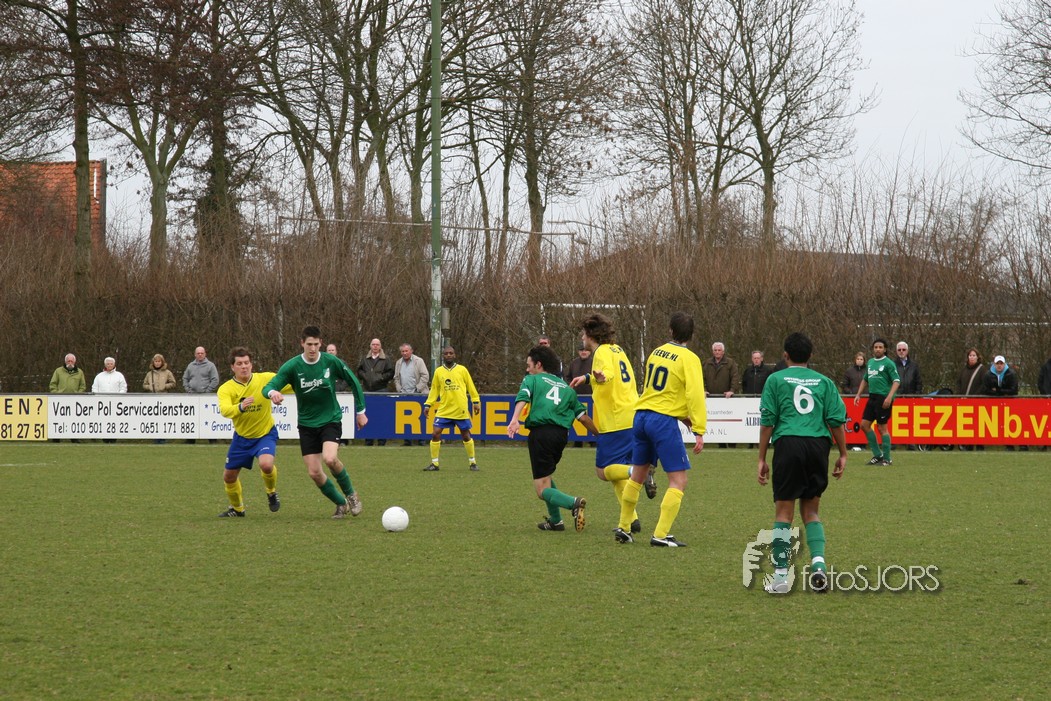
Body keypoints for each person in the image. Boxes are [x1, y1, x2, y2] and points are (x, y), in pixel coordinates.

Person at [757, 332, 848, 595]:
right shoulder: (825, 382)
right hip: (818, 446)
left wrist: (761, 458)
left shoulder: (775, 379)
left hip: (788, 444)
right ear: (811, 356)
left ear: (785, 355)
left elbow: (768, 421)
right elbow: (836, 421)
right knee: (811, 511)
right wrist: (843, 453)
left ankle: (781, 578)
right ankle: (818, 565)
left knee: (783, 514)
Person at [615, 311, 706, 547]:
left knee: (637, 475)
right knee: (679, 480)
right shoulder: (689, 359)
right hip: (662, 422)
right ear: (691, 335)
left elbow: (660, 391)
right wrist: (699, 428)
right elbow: (695, 394)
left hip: (641, 416)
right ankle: (661, 535)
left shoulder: (656, 352)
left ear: (670, 331)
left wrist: (681, 416)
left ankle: (624, 527)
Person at [263, 326, 368, 519]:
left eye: (316, 344)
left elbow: (353, 381)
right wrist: (272, 393)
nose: (312, 348)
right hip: (306, 425)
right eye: (309, 344)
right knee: (314, 472)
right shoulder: (293, 366)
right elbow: (269, 386)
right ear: (302, 343)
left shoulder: (330, 362)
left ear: (321, 344)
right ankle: (340, 503)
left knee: (330, 459)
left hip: (330, 420)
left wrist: (360, 411)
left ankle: (351, 495)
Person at [508, 345, 598, 532]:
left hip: (541, 433)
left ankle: (573, 503)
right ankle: (556, 521)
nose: (527, 369)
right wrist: (600, 435)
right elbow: (583, 418)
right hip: (561, 437)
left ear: (538, 365)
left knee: (541, 490)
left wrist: (515, 419)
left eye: (529, 365)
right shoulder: (567, 388)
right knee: (546, 475)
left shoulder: (532, 379)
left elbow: (523, 396)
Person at [569, 313, 645, 535]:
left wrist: (601, 377)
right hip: (631, 414)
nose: (582, 338)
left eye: (584, 333)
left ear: (591, 334)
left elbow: (608, 374)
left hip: (615, 420)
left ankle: (637, 470)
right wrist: (587, 378)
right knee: (615, 473)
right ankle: (631, 519)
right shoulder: (617, 349)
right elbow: (617, 374)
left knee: (603, 472)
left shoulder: (601, 352)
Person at [215, 347, 290, 517]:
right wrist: (240, 407)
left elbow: (291, 383)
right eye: (239, 364)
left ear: (251, 364)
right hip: (242, 438)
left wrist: (306, 386)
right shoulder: (226, 389)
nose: (244, 366)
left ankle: (271, 492)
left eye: (247, 363)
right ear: (232, 367)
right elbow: (225, 410)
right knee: (229, 477)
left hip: (265, 434)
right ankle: (238, 509)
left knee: (266, 464)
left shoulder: (265, 379)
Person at [423, 346, 481, 471]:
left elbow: (471, 386)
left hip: (460, 408)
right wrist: (428, 404)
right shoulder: (438, 371)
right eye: (446, 353)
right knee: (435, 433)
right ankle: (434, 464)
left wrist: (476, 401)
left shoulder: (462, 370)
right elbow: (434, 390)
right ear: (443, 356)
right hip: (444, 409)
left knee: (465, 435)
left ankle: (472, 462)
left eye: (451, 353)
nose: (448, 355)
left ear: (454, 355)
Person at [853, 338, 900, 466]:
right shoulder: (870, 362)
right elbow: (865, 379)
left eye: (880, 347)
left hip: (883, 398)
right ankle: (878, 455)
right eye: (876, 347)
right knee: (864, 425)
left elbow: (896, 381)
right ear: (873, 349)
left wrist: (889, 397)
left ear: (885, 349)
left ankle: (887, 459)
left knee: (882, 428)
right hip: (872, 397)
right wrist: (858, 394)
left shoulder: (889, 363)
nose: (878, 349)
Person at [357, 338, 395, 445]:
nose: (375, 346)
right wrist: (365, 376)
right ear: (370, 346)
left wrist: (381, 378)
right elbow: (359, 370)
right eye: (373, 344)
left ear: (380, 346)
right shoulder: (365, 358)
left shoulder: (386, 359)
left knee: (382, 416)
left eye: (377, 344)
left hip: (381, 390)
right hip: (367, 391)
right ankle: (368, 440)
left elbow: (390, 373)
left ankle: (382, 441)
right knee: (368, 416)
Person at [703, 341, 739, 448]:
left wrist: (732, 390)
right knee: (717, 422)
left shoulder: (730, 363)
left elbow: (735, 377)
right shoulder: (707, 363)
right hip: (712, 398)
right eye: (715, 350)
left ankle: (732, 444)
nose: (717, 352)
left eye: (719, 350)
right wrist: (703, 390)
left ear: (723, 351)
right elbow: (701, 377)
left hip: (727, 399)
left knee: (730, 423)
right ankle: (721, 444)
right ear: (712, 351)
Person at [394, 343, 430, 445]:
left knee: (420, 418)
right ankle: (407, 440)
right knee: (405, 418)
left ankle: (421, 440)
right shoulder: (398, 363)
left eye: (406, 351)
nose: (405, 353)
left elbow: (425, 376)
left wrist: (418, 389)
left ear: (411, 351)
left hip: (419, 394)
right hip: (404, 395)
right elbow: (396, 378)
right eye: (403, 351)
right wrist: (399, 389)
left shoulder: (419, 361)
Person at [184, 346, 220, 444]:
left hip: (206, 398)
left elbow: (215, 379)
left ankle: (212, 439)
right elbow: (185, 378)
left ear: (205, 354)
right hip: (193, 397)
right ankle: (190, 439)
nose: (200, 355)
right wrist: (188, 389)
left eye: (202, 353)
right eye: (198, 353)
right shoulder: (190, 366)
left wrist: (207, 391)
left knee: (208, 418)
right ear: (195, 354)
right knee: (192, 418)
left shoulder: (210, 366)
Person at [49, 353, 86, 443]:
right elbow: (53, 384)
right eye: (68, 361)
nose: (70, 363)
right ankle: (56, 437)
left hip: (74, 400)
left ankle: (74, 438)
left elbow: (83, 386)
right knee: (58, 419)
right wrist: (56, 394)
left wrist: (78, 394)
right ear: (65, 361)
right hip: (60, 400)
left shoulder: (80, 372)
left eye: (71, 361)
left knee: (73, 419)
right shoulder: (58, 371)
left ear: (74, 362)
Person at [955, 348, 986, 452]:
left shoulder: (982, 370)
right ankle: (967, 445)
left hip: (977, 402)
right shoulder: (964, 369)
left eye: (974, 355)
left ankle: (980, 445)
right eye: (970, 355)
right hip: (964, 401)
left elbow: (983, 385)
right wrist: (959, 395)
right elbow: (958, 383)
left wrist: (974, 396)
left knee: (978, 425)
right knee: (967, 425)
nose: (972, 357)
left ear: (978, 357)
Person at [564, 343, 594, 448]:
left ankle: (593, 441)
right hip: (576, 397)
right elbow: (568, 377)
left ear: (589, 351)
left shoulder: (594, 362)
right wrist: (570, 387)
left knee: (591, 419)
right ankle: (577, 441)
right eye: (581, 350)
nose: (583, 352)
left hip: (591, 397)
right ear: (578, 351)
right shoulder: (574, 363)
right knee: (578, 418)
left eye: (586, 350)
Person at [93, 357, 127, 443]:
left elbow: (123, 388)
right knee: (103, 420)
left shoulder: (119, 375)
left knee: (114, 420)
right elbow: (94, 388)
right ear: (105, 365)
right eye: (108, 364)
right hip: (102, 404)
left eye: (111, 364)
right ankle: (105, 438)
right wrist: (98, 399)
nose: (109, 365)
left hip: (116, 404)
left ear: (114, 364)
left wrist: (118, 398)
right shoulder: (99, 376)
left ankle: (113, 438)